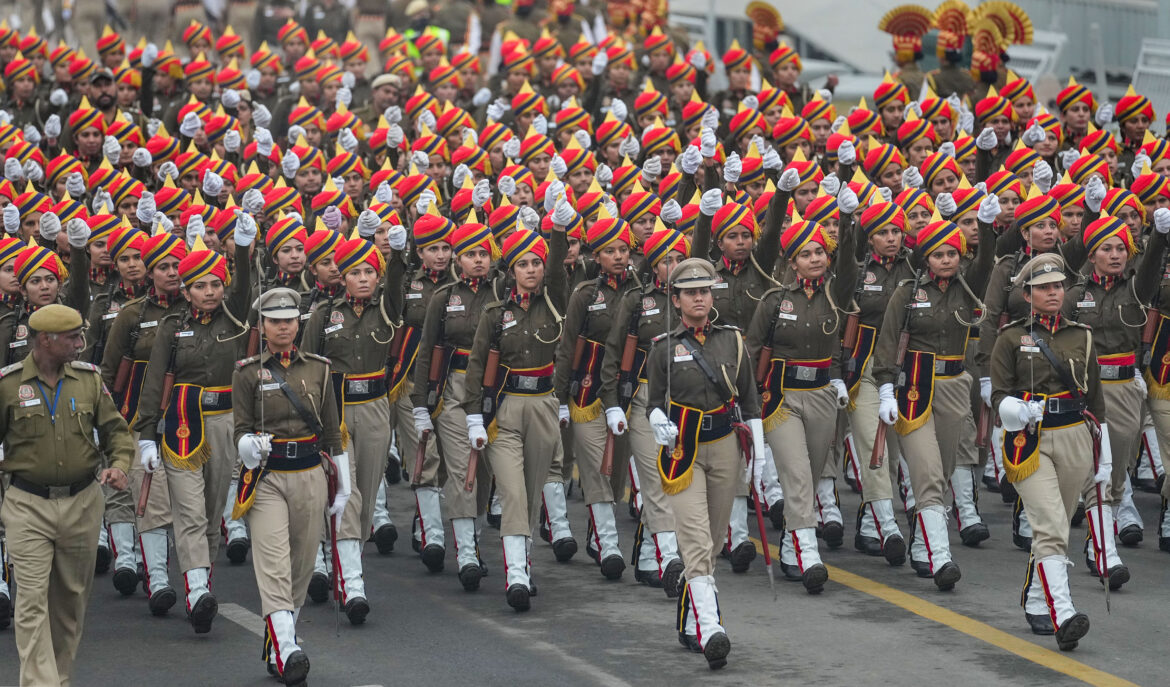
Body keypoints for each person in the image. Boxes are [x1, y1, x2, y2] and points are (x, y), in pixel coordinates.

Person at [0, 304, 135, 686]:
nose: (82, 343)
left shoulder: (89, 380)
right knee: (30, 602)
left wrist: (120, 466)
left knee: (69, 603)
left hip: (82, 502)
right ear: (46, 340)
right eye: (74, 337)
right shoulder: (8, 385)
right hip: (27, 505)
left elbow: (116, 433)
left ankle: (57, 679)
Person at [132, 216, 255, 634]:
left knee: (210, 510)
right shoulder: (172, 326)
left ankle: (202, 580)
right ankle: (198, 589)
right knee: (187, 510)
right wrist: (147, 437)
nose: (208, 293)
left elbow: (244, 289)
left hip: (225, 422)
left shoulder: (235, 318)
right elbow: (153, 383)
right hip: (181, 423)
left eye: (214, 285)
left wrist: (241, 245)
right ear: (185, 291)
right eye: (199, 286)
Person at [645, 257, 763, 670]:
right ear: (675, 300)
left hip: (726, 444)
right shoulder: (662, 347)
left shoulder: (732, 340)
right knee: (695, 540)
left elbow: (749, 398)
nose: (699, 298)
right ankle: (712, 628)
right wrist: (658, 419)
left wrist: (759, 450)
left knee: (712, 542)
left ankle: (690, 621)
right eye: (690, 292)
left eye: (705, 291)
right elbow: (653, 403)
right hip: (684, 452)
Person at [873, 202, 995, 591]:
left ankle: (923, 542)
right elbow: (888, 343)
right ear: (925, 258)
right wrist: (887, 389)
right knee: (926, 472)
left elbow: (987, 256)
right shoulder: (907, 294)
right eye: (938, 254)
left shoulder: (970, 286)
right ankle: (942, 557)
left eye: (952, 253)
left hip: (955, 386)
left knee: (942, 472)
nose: (946, 260)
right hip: (914, 390)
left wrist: (988, 225)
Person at [232, 287, 346, 686]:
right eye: (275, 321)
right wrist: (250, 446)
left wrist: (343, 484)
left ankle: (279, 641)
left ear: (299, 323)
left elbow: (332, 430)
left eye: (290, 320)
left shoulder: (319, 367)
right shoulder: (246, 371)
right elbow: (240, 432)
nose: (283, 327)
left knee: (301, 564)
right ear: (262, 326)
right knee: (274, 561)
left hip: (311, 473)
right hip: (266, 478)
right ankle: (288, 645)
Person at [990, 252, 1097, 651]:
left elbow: (1094, 399)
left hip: (1073, 434)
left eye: (1057, 286)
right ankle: (1064, 612)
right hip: (1028, 440)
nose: (1053, 293)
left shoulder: (1081, 335)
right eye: (1044, 288)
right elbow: (998, 392)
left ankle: (1037, 599)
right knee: (1051, 524)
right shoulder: (1010, 337)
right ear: (1027, 294)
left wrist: (1100, 459)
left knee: (1059, 522)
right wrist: (1016, 409)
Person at [463, 207, 569, 612]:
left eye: (536, 263)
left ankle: (525, 563)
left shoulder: (555, 303)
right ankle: (516, 575)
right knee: (512, 491)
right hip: (504, 412)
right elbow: (476, 367)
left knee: (532, 491)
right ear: (510, 270)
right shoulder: (495, 314)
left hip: (542, 405)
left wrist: (557, 230)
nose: (531, 270)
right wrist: (475, 415)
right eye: (522, 263)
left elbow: (559, 272)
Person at [301, 227, 406, 623]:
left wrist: (395, 255)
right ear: (341, 278)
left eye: (370, 272)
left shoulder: (387, 309)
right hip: (336, 413)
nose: (363, 279)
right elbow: (307, 366)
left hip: (376, 408)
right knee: (346, 491)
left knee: (366, 491)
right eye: (355, 273)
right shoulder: (325, 315)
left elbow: (397, 284)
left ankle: (341, 557)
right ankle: (353, 584)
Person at [599, 227, 687, 594]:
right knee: (656, 479)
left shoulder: (697, 299)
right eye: (668, 260)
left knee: (680, 480)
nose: (676, 266)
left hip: (686, 401)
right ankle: (671, 560)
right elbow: (614, 353)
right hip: (644, 399)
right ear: (653, 265)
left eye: (681, 259)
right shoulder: (637, 300)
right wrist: (611, 405)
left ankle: (649, 555)